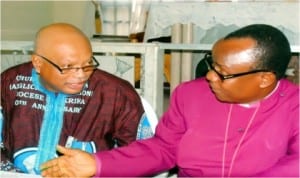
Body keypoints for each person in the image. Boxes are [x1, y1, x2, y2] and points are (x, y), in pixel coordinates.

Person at [41, 24, 299, 177]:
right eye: (211, 63)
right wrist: (98, 164)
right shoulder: (190, 95)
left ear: (264, 78)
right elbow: (164, 149)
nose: (209, 75)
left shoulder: (294, 105)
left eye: (223, 73)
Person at [0, 23, 146, 174]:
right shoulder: (8, 83)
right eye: (68, 66)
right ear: (38, 63)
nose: (81, 75)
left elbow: (141, 155)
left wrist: (98, 169)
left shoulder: (115, 93)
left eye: (88, 63)